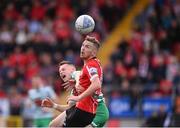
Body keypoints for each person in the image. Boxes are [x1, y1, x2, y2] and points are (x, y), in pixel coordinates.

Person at [41, 61, 109, 127]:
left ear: (73, 69)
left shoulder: (78, 74)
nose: (61, 72)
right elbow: (69, 109)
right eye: (60, 72)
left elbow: (78, 76)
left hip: (99, 113)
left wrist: (77, 84)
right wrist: (54, 105)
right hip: (86, 113)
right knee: (53, 125)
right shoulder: (73, 91)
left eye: (63, 69)